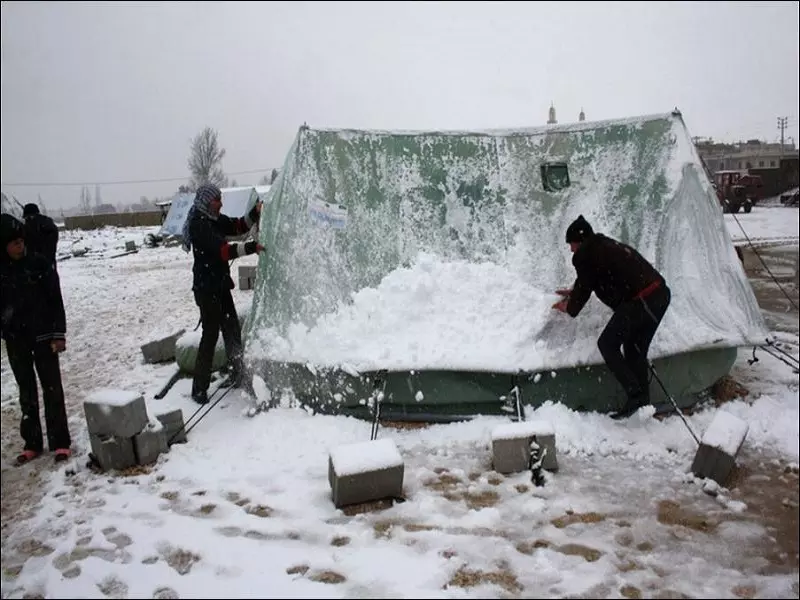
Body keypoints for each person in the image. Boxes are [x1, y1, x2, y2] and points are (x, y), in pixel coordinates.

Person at [551, 215, 672, 419]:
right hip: (657, 295)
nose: (571, 249)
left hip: (643, 300)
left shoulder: (588, 254)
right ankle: (641, 403)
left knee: (607, 344)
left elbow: (585, 285)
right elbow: (587, 278)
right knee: (634, 350)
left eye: (571, 244)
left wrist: (568, 307)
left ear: (579, 241)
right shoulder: (600, 246)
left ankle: (636, 395)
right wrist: (573, 291)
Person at [181, 184, 265, 405]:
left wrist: (255, 213)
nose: (221, 203)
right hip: (207, 290)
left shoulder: (214, 218)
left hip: (219, 285)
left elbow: (238, 226)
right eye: (217, 199)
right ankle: (199, 388)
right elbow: (223, 251)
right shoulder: (199, 225)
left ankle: (237, 373)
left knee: (232, 330)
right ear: (207, 201)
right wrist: (250, 248)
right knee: (210, 336)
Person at [0, 213, 72, 464]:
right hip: (16, 341)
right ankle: (32, 443)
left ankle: (60, 442)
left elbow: (55, 300)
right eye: (13, 243)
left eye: (21, 241)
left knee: (52, 390)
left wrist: (58, 334)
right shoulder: (2, 273)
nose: (19, 246)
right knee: (26, 392)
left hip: (44, 337)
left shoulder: (39, 264)